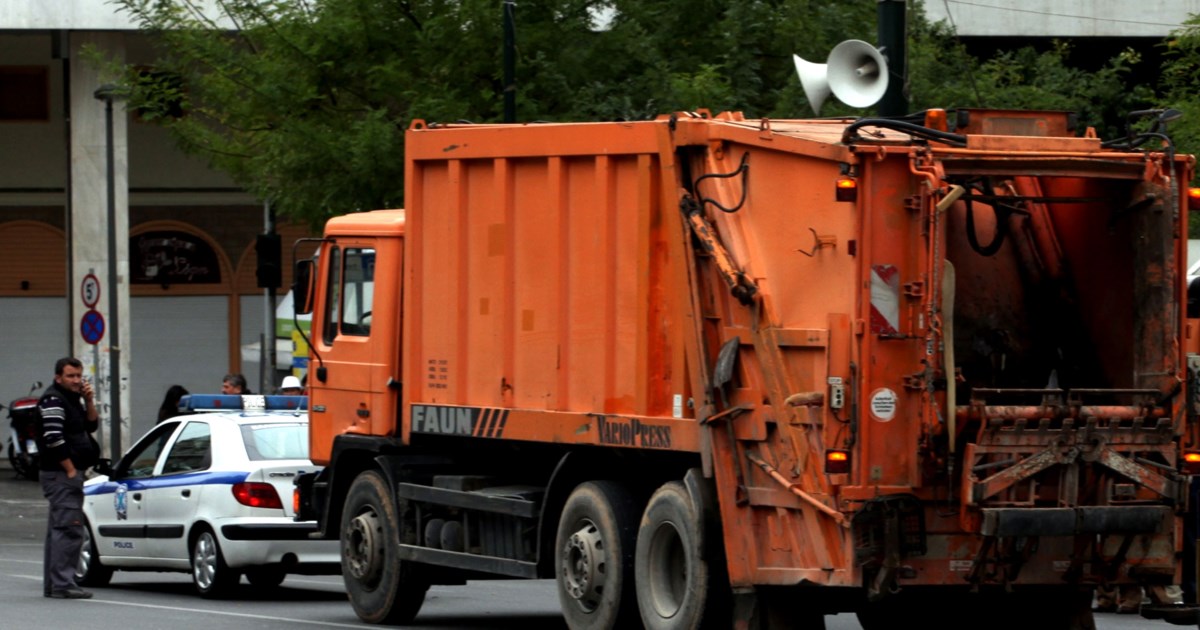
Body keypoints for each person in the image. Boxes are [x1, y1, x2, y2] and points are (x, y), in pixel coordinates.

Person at [37, 357, 100, 600]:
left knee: (59, 529)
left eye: (78, 376)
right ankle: (63, 583)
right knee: (70, 529)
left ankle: (56, 584)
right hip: (61, 474)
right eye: (70, 376)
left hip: (64, 474)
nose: (76, 380)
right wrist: (71, 470)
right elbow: (53, 437)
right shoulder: (54, 399)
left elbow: (91, 426)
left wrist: (89, 400)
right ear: (58, 377)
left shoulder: (73, 400)